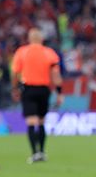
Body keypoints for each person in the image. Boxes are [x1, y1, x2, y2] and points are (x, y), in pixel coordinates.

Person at [11, 28, 63, 163]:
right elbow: (55, 74)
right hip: (44, 90)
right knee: (41, 121)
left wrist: (15, 89)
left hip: (28, 89)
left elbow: (15, 72)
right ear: (41, 39)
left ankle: (34, 153)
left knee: (31, 122)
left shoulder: (22, 52)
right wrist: (59, 92)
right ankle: (41, 152)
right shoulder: (49, 53)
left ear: (29, 39)